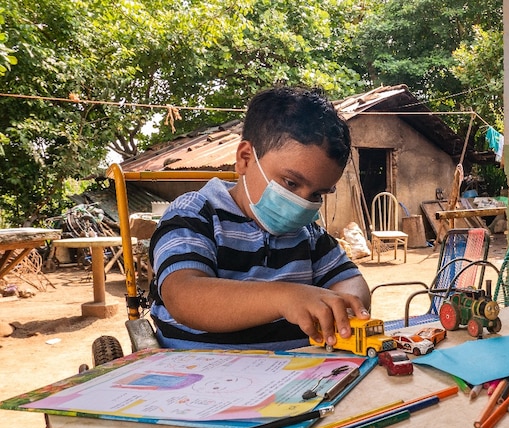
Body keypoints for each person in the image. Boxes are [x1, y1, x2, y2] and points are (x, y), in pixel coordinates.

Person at [148, 86, 371, 351]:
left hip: (294, 379)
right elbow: (183, 296)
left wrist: (343, 302)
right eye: (291, 182)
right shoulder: (194, 215)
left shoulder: (308, 234)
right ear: (244, 159)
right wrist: (285, 297)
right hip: (194, 381)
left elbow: (352, 283)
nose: (302, 202)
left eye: (318, 193)